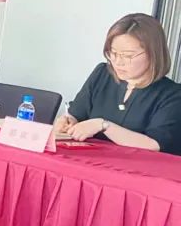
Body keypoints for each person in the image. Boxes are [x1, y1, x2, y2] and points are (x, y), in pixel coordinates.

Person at [54, 13, 181, 154]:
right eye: (113, 53)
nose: (118, 62)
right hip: (91, 160)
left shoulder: (173, 94)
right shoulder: (102, 74)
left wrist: (103, 125)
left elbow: (155, 144)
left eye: (128, 56)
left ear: (153, 54)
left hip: (135, 165)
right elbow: (76, 114)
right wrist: (66, 122)